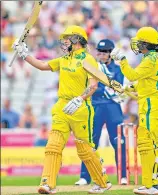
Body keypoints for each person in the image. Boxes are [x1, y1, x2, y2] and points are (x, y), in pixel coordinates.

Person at [12, 25, 112, 194]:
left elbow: (94, 85)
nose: (64, 42)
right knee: (53, 145)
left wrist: (80, 99)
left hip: (81, 108)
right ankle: (47, 184)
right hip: (62, 107)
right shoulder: (64, 59)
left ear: (78, 40)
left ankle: (102, 183)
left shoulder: (88, 59)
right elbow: (43, 65)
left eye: (68, 38)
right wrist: (24, 54)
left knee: (85, 149)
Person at [110, 27, 158, 195]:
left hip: (151, 104)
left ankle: (152, 185)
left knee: (149, 143)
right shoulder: (150, 58)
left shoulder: (151, 60)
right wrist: (127, 89)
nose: (137, 45)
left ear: (147, 44)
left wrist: (122, 60)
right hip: (149, 102)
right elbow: (142, 82)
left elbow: (133, 75)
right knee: (152, 143)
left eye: (140, 42)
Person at [75, 39, 127, 186]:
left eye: (104, 52)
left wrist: (101, 88)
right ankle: (85, 177)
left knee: (118, 142)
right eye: (99, 51)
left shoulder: (118, 69)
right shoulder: (93, 68)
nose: (101, 54)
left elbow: (117, 88)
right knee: (91, 143)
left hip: (113, 107)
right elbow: (92, 88)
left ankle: (122, 176)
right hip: (96, 107)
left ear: (110, 53)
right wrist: (103, 88)